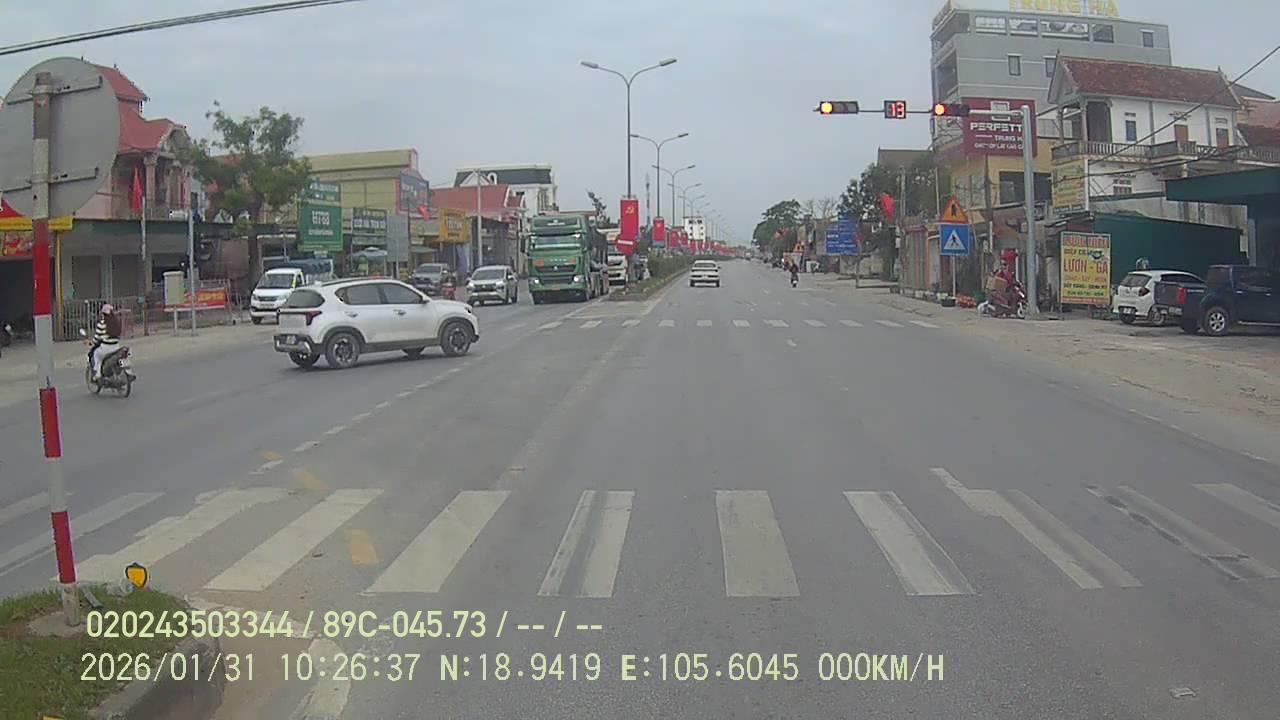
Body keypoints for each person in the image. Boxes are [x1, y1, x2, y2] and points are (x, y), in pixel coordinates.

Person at [89, 304, 123, 381]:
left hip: (106, 348)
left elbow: (97, 338)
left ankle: (98, 374)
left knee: (96, 355)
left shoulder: (102, 323)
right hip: (116, 347)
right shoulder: (116, 323)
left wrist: (92, 342)